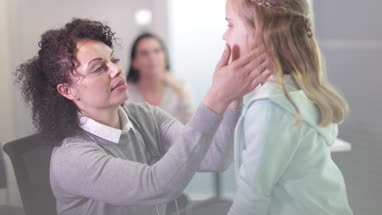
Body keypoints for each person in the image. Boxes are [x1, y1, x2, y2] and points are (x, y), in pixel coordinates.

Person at [15, 18, 270, 215]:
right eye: (99, 68)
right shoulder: (71, 157)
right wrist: (216, 97)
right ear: (68, 90)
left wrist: (234, 96)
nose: (117, 69)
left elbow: (213, 157)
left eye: (112, 60)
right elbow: (157, 186)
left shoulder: (144, 116)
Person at [222, 0, 353, 214]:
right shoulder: (295, 94)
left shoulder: (270, 107)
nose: (224, 36)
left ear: (261, 33)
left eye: (230, 25)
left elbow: (251, 198)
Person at [127, 33, 193, 124]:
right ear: (134, 62)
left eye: (157, 51)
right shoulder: (126, 94)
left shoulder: (179, 89)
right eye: (144, 53)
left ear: (165, 57)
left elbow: (193, 129)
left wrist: (180, 90)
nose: (152, 58)